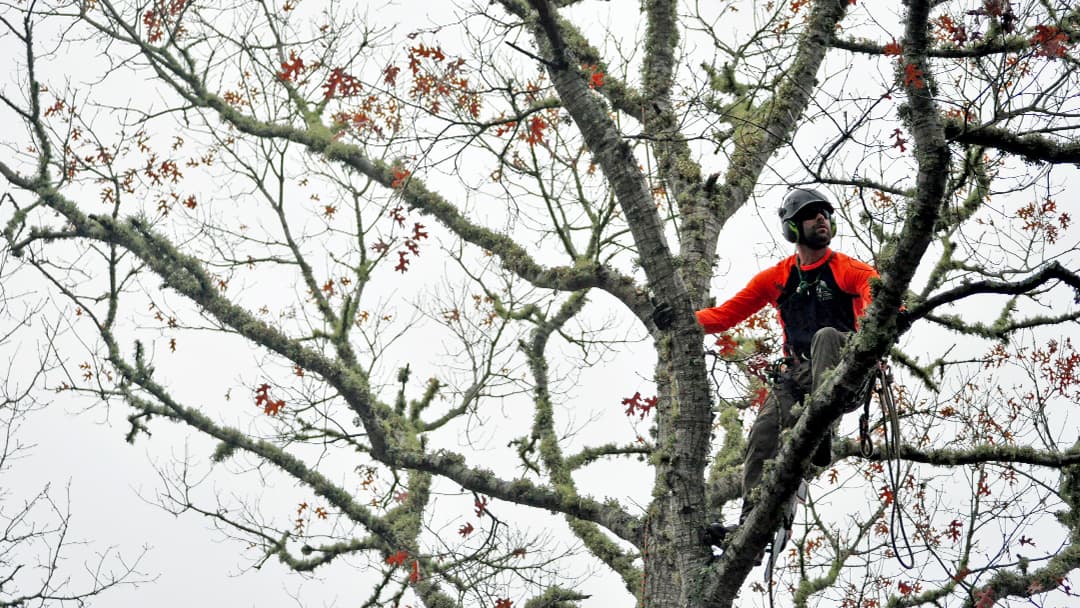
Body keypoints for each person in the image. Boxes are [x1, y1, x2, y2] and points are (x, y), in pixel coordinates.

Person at [652, 187, 878, 545]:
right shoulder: (777, 278)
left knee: (828, 336)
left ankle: (822, 429)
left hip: (846, 370)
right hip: (798, 376)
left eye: (825, 214)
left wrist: (890, 317)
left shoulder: (847, 268)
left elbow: (875, 291)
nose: (821, 219)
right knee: (761, 437)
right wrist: (681, 319)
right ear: (792, 228)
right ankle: (748, 528)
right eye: (811, 214)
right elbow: (726, 315)